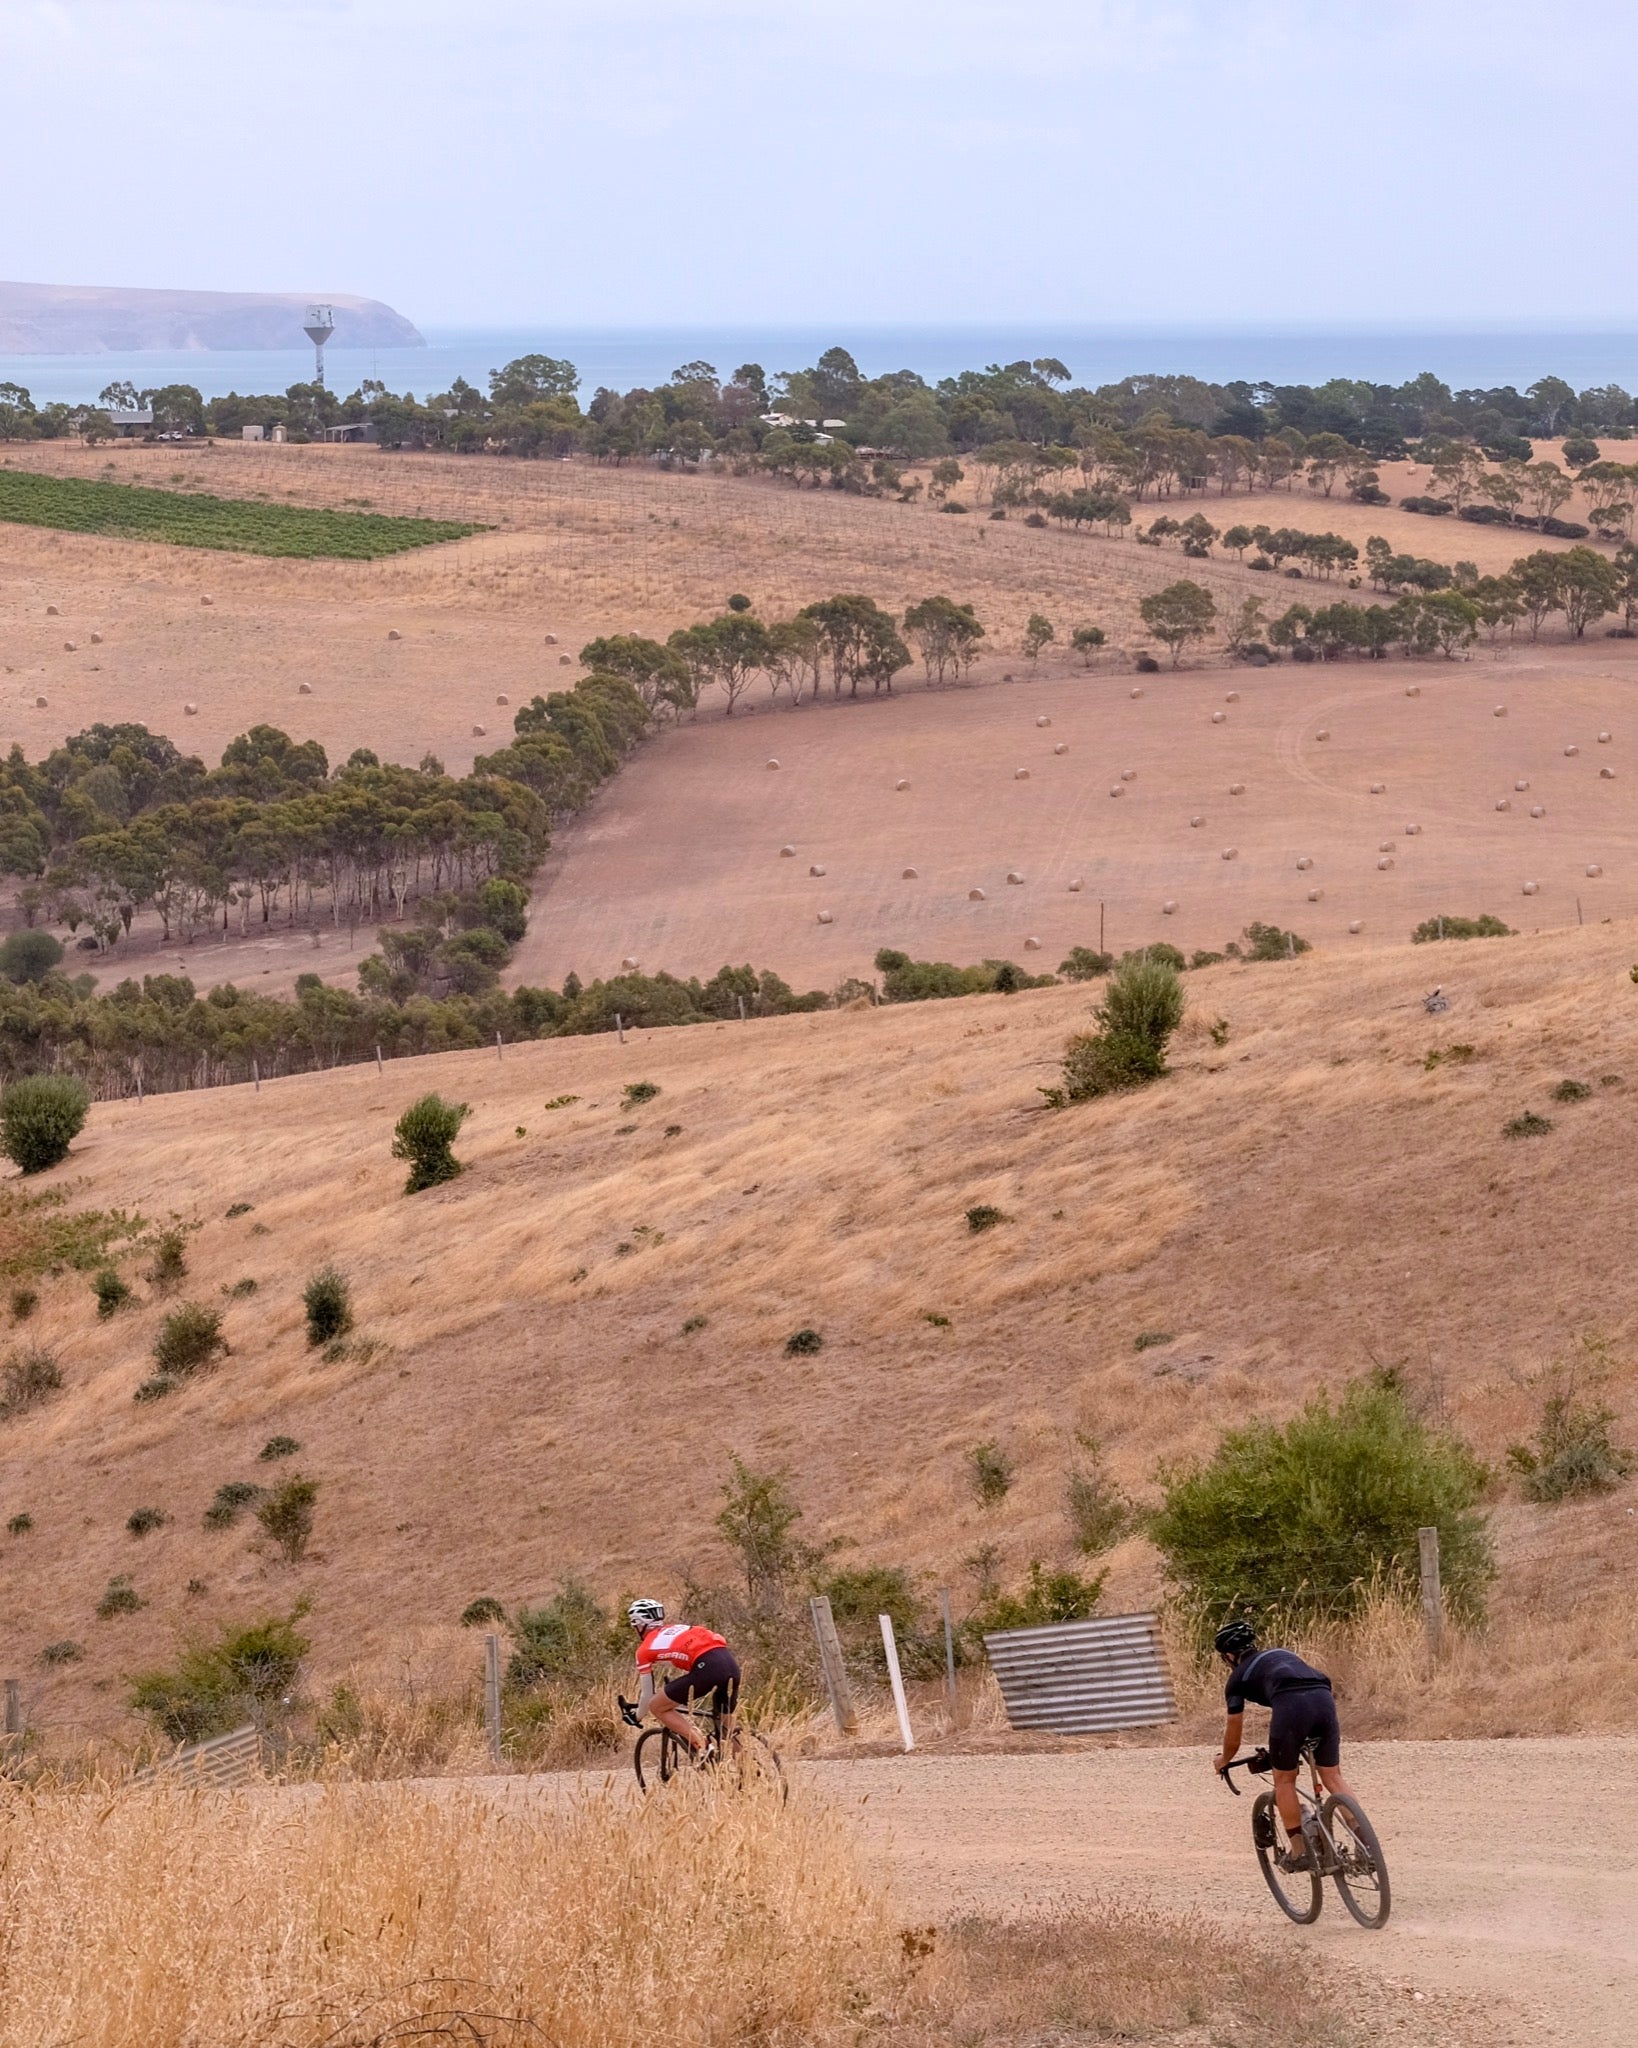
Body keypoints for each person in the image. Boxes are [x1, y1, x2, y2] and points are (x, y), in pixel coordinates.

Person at [1211, 1619, 1357, 1869]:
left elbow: (1234, 1734)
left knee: (1285, 1780)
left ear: (1229, 1655)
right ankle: (1365, 1844)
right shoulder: (1282, 1653)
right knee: (1332, 1776)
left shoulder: (1237, 1679)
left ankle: (1300, 1851)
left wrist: (1223, 1759)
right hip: (1323, 1698)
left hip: (1291, 1707)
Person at [626, 1598, 741, 1757]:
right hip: (730, 1663)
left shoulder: (644, 1650)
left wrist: (637, 1716)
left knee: (657, 1706)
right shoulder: (677, 1629)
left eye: (635, 1626)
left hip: (708, 1668)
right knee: (728, 1730)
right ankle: (750, 1768)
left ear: (640, 1624)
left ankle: (702, 1746)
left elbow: (647, 1695)